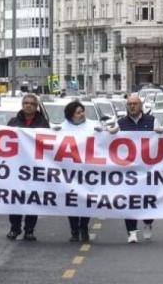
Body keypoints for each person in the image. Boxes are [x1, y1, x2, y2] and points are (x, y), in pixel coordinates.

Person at [114, 93, 157, 243]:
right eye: (129, 104)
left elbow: (162, 140)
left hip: (147, 170)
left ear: (141, 106)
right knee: (128, 200)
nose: (132, 106)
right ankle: (131, 231)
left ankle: (147, 223)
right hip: (128, 170)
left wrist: (160, 132)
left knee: (148, 199)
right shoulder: (120, 123)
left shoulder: (151, 121)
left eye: (135, 104)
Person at [6, 93, 49, 241]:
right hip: (16, 167)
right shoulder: (13, 122)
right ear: (22, 105)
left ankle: (29, 230)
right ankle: (14, 228)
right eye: (26, 103)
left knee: (32, 200)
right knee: (15, 199)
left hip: (34, 167)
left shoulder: (43, 123)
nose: (28, 105)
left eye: (31, 103)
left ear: (36, 106)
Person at [59, 100, 101, 242]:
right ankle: (74, 230)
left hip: (87, 172)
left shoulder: (94, 126)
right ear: (71, 115)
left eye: (82, 111)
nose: (81, 114)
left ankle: (84, 226)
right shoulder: (62, 128)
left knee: (86, 200)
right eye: (78, 112)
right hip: (69, 172)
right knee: (71, 201)